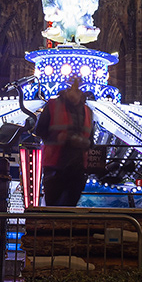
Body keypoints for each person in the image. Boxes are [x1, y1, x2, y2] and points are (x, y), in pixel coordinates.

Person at [34, 77, 94, 208]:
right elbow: (39, 131)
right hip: (56, 166)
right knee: (54, 206)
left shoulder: (88, 112)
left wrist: (83, 143)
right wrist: (58, 138)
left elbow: (91, 141)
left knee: (69, 207)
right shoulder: (52, 105)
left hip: (76, 168)